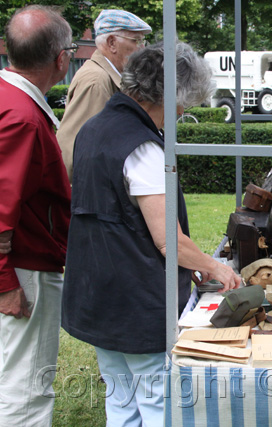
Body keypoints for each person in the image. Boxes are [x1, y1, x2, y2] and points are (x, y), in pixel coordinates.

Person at [61, 42, 242, 425]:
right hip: (136, 303)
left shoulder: (94, 129)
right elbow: (167, 240)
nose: (181, 113)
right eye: (184, 104)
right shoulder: (142, 146)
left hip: (100, 292)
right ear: (170, 95)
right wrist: (215, 267)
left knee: (122, 403)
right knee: (159, 405)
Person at [0, 5, 73, 425]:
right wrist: (6, 284)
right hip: (23, 267)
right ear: (62, 59)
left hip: (19, 264)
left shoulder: (12, 102)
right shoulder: (22, 116)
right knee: (26, 387)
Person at [56, 9, 151, 180]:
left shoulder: (105, 77)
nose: (142, 48)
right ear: (112, 43)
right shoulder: (97, 81)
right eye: (137, 41)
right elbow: (79, 150)